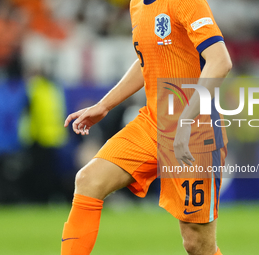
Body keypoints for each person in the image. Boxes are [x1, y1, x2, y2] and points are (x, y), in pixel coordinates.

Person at [61, 0, 232, 254]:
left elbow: (220, 62)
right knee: (88, 180)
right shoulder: (137, 4)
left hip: (196, 130)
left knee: (197, 244)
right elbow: (147, 61)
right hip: (152, 122)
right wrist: (105, 104)